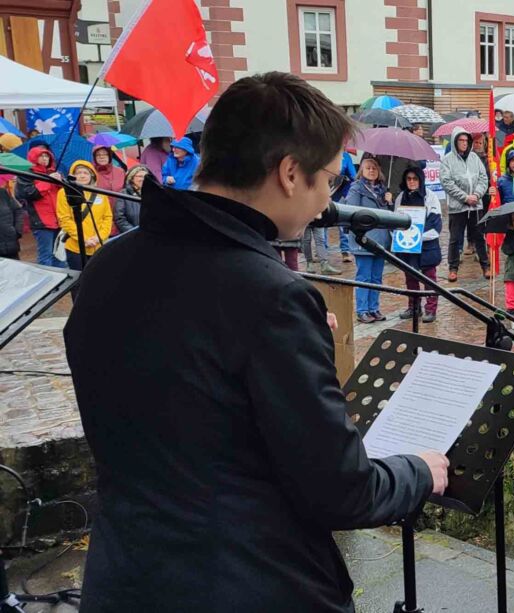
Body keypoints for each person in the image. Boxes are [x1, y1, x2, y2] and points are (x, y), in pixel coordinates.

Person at [63, 73, 447, 612]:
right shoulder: (270, 297)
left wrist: (281, 346)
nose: (325, 204)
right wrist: (417, 471)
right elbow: (340, 490)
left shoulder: (109, 265)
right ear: (290, 172)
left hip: (127, 576)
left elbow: (181, 375)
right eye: (328, 182)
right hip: (247, 582)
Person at [347, 156, 393, 323]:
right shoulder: (356, 189)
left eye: (374, 168)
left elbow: (388, 215)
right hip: (364, 239)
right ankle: (362, 310)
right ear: (362, 171)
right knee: (364, 277)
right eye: (368, 168)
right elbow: (352, 212)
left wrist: (388, 202)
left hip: (380, 240)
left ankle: (374, 307)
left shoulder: (382, 190)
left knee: (376, 277)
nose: (371, 171)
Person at [441, 126, 489, 282]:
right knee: (455, 238)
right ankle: (453, 268)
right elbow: (447, 182)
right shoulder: (448, 160)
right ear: (455, 142)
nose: (464, 143)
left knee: (479, 237)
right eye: (460, 140)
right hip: (458, 207)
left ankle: (485, 265)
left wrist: (476, 195)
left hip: (475, 206)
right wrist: (464, 197)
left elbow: (483, 178)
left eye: (466, 140)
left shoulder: (475, 158)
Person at [394, 166, 442, 323]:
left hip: (426, 245)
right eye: (409, 179)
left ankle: (431, 309)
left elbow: (435, 224)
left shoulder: (431, 197)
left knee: (429, 279)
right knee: (410, 278)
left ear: (420, 180)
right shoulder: (401, 197)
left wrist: (417, 236)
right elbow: (396, 221)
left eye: (415, 179)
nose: (412, 182)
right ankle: (414, 307)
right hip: (408, 246)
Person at [55, 160, 112, 271]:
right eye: (78, 173)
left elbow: (107, 217)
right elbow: (64, 219)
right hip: (75, 247)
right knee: (80, 280)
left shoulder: (101, 193)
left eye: (86, 173)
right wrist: (84, 239)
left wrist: (99, 237)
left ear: (92, 175)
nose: (82, 175)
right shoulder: (64, 193)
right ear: (73, 175)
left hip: (98, 246)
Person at [15, 146, 65, 268]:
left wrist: (61, 181)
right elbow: (27, 194)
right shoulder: (26, 174)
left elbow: (64, 194)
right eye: (41, 156)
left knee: (60, 254)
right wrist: (49, 182)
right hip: (42, 222)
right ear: (33, 157)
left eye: (47, 156)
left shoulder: (54, 172)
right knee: (46, 256)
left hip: (59, 220)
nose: (44, 158)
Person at [330, 151, 357, 262]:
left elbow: (353, 176)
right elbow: (354, 176)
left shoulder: (323, 153)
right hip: (339, 194)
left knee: (323, 222)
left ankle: (322, 252)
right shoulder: (345, 156)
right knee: (341, 222)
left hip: (335, 193)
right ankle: (345, 251)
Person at [114, 165, 149, 233]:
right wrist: (135, 233)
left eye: (145, 176)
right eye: (140, 176)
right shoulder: (123, 193)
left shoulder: (152, 193)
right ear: (132, 178)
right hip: (132, 236)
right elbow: (120, 218)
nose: (143, 179)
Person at [0, 177, 23, 259]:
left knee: (16, 270)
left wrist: (17, 231)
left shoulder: (3, 193)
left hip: (10, 244)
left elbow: (18, 210)